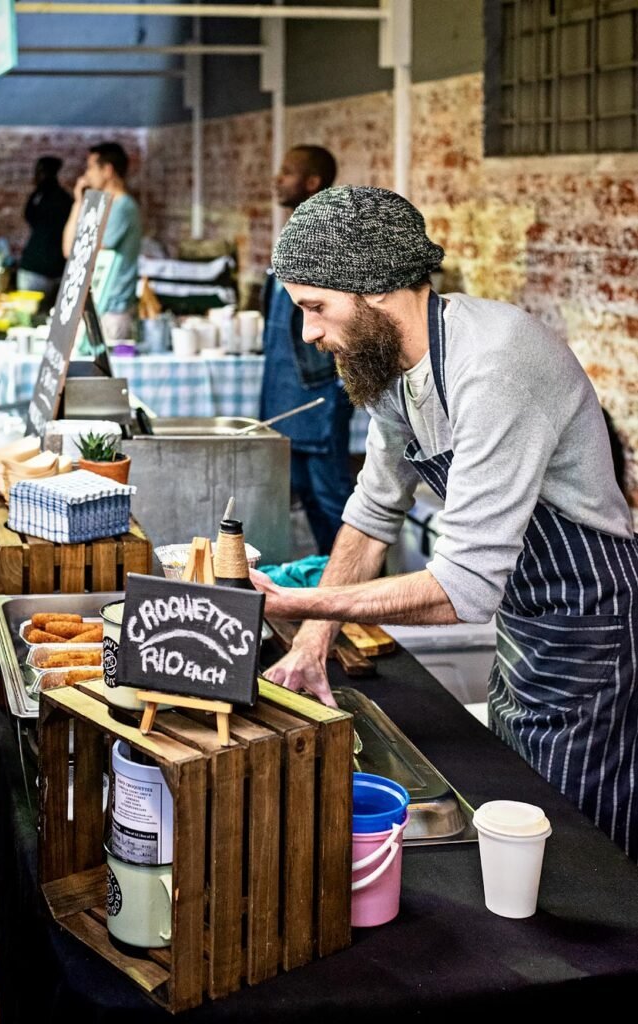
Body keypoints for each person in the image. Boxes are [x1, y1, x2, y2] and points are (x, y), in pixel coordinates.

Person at [252, 185, 638, 859]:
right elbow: (372, 514)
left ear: (372, 287)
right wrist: (311, 641)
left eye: (315, 307)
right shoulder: (392, 370)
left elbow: (464, 586)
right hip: (526, 618)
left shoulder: (491, 366)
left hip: (592, 625)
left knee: (582, 848)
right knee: (522, 808)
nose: (309, 333)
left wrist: (301, 599)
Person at [260, 145, 353, 555]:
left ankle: (355, 590)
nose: (278, 179)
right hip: (287, 387)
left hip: (318, 387)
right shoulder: (297, 228)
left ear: (312, 183)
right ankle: (325, 579)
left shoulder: (330, 233)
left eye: (287, 172)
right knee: (304, 494)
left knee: (330, 496)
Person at [63, 141, 141, 341]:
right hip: (98, 304)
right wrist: (78, 202)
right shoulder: (101, 206)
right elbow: (69, 250)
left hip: (114, 307)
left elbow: (86, 252)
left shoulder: (123, 207)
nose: (87, 175)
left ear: (107, 170)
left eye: (91, 168)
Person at [17, 156, 73, 313]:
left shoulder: (44, 197)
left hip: (39, 269)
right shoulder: (62, 198)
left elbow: (30, 216)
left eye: (38, 172)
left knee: (30, 317)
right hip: (54, 267)